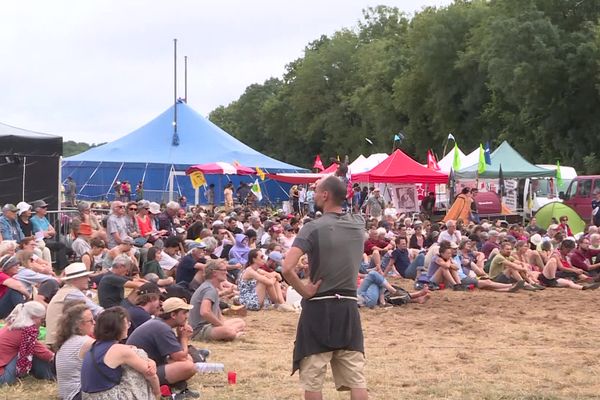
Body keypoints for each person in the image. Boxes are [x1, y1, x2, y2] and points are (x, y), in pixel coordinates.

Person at [282, 175, 368, 399]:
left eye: (317, 189)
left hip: (320, 306)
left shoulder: (312, 228)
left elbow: (287, 268)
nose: (314, 192)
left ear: (325, 195)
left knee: (313, 377)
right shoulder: (358, 224)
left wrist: (305, 290)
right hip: (349, 306)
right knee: (356, 377)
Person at [80, 306, 160, 399]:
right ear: (118, 327)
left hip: (88, 396)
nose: (128, 326)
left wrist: (151, 362)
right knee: (138, 357)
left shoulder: (93, 346)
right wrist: (157, 394)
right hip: (106, 396)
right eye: (127, 323)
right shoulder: (121, 351)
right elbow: (150, 375)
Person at [126, 297, 199, 397]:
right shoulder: (162, 328)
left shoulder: (159, 324)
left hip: (146, 367)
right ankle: (172, 389)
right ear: (173, 315)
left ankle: (174, 386)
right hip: (139, 374)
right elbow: (180, 356)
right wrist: (184, 339)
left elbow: (177, 353)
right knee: (188, 367)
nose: (187, 316)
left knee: (188, 359)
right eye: (184, 313)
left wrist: (180, 337)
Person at [46, 262, 103, 348]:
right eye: (85, 277)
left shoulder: (67, 291)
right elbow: (98, 312)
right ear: (75, 279)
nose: (88, 280)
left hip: (59, 339)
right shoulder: (72, 293)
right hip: (59, 342)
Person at [189, 260, 246, 341]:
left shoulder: (210, 287)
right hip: (200, 330)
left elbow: (217, 313)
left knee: (240, 322)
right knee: (229, 332)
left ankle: (231, 331)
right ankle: (234, 334)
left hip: (209, 326)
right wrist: (222, 326)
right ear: (214, 273)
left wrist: (222, 324)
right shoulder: (209, 289)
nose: (226, 273)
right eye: (223, 270)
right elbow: (205, 312)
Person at [0, 301, 55, 385]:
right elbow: (44, 354)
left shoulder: (14, 325)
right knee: (30, 351)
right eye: (42, 319)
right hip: (3, 378)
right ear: (33, 317)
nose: (42, 323)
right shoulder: (26, 332)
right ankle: (51, 375)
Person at [55, 303, 96, 400]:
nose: (94, 322)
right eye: (90, 320)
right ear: (80, 325)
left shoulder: (68, 341)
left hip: (66, 394)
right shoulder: (85, 342)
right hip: (77, 394)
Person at [357, 270, 429, 308]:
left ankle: (416, 298)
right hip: (363, 298)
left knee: (380, 280)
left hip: (363, 294)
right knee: (376, 277)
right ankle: (391, 294)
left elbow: (359, 276)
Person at [0, 255, 29, 319]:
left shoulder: (12, 278)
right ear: (7, 267)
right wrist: (28, 296)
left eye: (18, 264)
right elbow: (18, 286)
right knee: (14, 290)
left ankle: (23, 315)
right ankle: (24, 316)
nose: (18, 266)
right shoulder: (1, 274)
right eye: (15, 265)